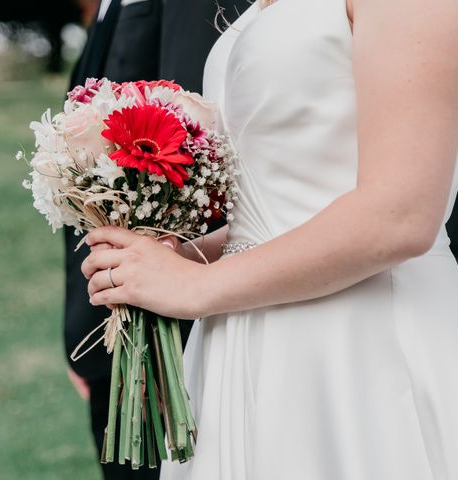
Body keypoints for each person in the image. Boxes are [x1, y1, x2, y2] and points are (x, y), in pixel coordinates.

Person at [82, 0, 458, 478]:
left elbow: (400, 215)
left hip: (356, 339)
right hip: (241, 332)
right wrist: (172, 262)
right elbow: (272, 210)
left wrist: (194, 288)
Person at [63, 1, 243, 478]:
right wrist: (84, 327)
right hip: (113, 316)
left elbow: (195, 151)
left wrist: (169, 295)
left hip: (166, 332)